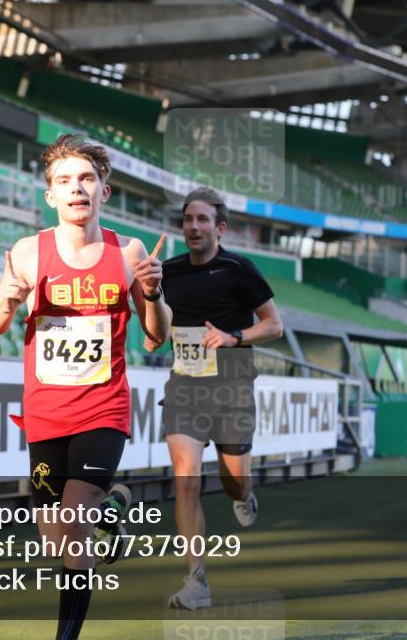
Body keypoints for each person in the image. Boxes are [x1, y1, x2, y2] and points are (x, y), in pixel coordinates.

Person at [0, 134, 172, 640]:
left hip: (104, 409)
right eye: (64, 181)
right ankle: (113, 508)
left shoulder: (128, 252)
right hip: (44, 412)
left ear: (104, 191)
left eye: (87, 179)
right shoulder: (27, 252)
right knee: (55, 540)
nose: (77, 189)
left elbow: (156, 336)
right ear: (51, 196)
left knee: (71, 522)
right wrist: (7, 299)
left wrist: (153, 293)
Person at [144, 187, 283, 610]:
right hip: (186, 385)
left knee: (233, 481)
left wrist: (233, 336)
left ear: (219, 228)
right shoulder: (166, 271)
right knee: (186, 477)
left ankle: (244, 494)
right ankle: (197, 580)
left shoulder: (239, 269)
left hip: (232, 386)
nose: (194, 226)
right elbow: (156, 335)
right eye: (188, 219)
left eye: (203, 219)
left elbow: (274, 325)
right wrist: (150, 294)